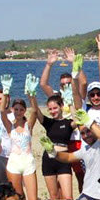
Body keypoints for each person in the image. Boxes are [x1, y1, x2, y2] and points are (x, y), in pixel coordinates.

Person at [40, 49, 87, 191]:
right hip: (62, 141)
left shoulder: (78, 95)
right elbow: (43, 84)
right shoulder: (57, 98)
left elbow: (83, 82)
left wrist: (75, 64)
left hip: (77, 139)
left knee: (81, 175)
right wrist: (49, 64)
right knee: (60, 179)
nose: (65, 85)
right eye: (63, 84)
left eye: (68, 83)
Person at [46, 110, 100, 200]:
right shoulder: (85, 149)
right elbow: (69, 157)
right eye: (82, 133)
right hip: (86, 194)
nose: (86, 135)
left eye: (88, 131)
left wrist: (90, 123)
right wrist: (53, 152)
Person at [0, 75, 38, 200]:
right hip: (14, 165)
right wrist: (6, 92)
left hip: (28, 163)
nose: (19, 112)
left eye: (21, 109)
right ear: (13, 110)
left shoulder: (28, 125)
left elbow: (35, 110)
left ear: (24, 110)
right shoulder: (10, 126)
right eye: (16, 109)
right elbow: (2, 112)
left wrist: (31, 94)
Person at [31, 93, 75, 200]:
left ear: (61, 106)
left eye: (55, 108)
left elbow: (78, 120)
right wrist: (32, 96)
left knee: (68, 198)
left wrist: (70, 104)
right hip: (49, 160)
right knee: (54, 197)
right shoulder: (48, 122)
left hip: (64, 159)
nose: (52, 111)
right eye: (50, 109)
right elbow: (36, 111)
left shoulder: (68, 122)